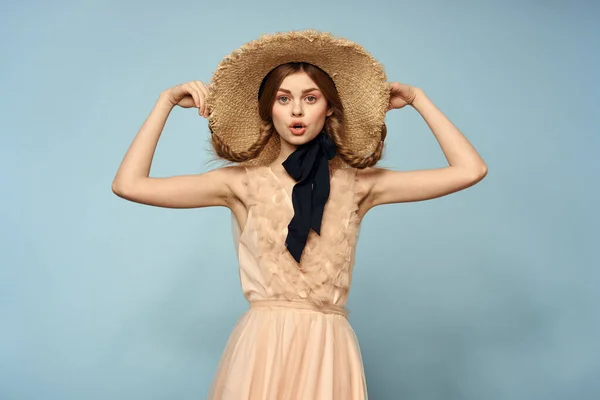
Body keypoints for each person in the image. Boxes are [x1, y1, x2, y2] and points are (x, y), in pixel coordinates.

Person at [112, 30, 487, 400]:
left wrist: (420, 100)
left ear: (329, 108)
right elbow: (129, 184)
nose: (296, 110)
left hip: (328, 347)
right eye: (283, 98)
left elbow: (470, 170)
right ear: (268, 109)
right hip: (263, 345)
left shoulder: (359, 186)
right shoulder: (240, 184)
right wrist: (164, 103)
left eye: (310, 98)